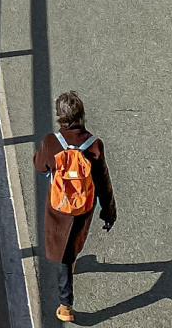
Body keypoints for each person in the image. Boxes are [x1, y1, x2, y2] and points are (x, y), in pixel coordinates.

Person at [35, 91, 116, 322]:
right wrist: (109, 212)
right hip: (83, 207)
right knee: (73, 244)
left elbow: (41, 166)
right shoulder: (94, 145)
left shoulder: (51, 142)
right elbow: (103, 182)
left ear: (60, 117)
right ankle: (72, 260)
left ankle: (66, 305)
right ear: (81, 115)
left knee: (62, 254)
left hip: (58, 207)